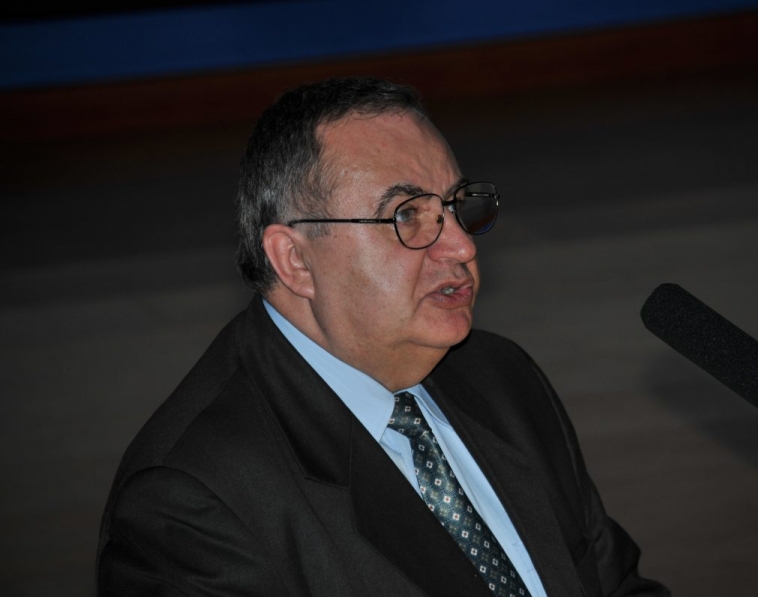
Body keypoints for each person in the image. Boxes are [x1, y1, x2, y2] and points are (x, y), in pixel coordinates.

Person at [96, 76, 669, 597]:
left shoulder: (503, 378)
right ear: (295, 260)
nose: (462, 246)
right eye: (407, 215)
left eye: (455, 206)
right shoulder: (191, 502)